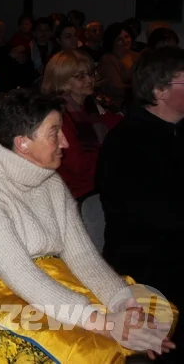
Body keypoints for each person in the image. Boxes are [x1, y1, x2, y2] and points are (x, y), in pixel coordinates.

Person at [0, 89, 175, 363]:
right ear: (23, 143)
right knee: (99, 351)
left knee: (149, 317)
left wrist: (122, 306)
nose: (66, 142)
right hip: (1, 301)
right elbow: (22, 276)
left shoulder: (51, 182)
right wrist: (107, 324)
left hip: (50, 285)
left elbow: (82, 257)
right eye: (54, 132)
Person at [98, 46, 184, 353]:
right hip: (148, 260)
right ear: (160, 91)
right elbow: (153, 215)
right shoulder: (127, 142)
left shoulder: (176, 132)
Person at [41, 50, 121, 200]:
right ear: (62, 81)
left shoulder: (91, 106)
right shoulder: (59, 115)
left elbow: (121, 128)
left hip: (99, 184)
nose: (89, 80)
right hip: (77, 193)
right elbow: (77, 166)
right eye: (80, 76)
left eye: (90, 73)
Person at [97, 22, 140, 110]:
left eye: (127, 37)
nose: (125, 41)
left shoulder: (137, 56)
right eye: (119, 39)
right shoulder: (107, 59)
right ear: (112, 42)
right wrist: (141, 89)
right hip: (117, 106)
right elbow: (116, 88)